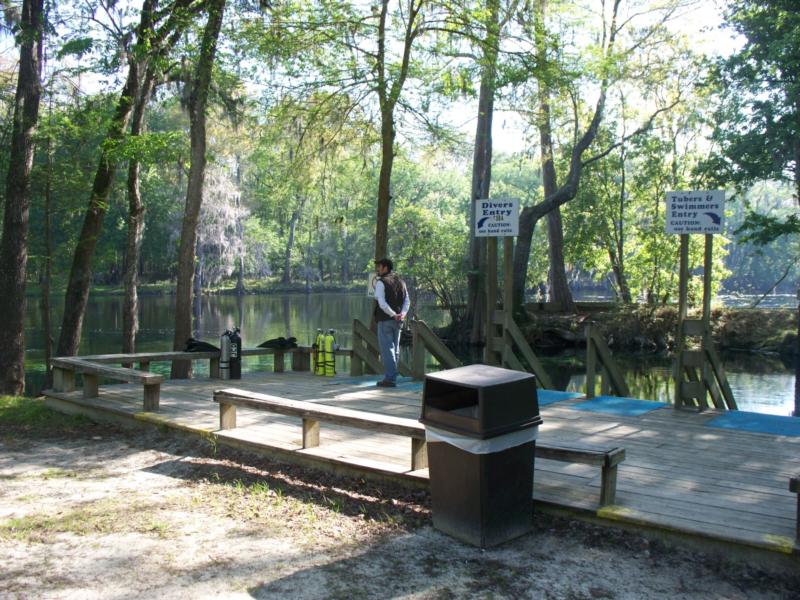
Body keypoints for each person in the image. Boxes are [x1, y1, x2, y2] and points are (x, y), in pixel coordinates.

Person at [373, 257, 410, 387]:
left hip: (385, 320)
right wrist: (402, 314)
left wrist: (394, 315)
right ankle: (392, 376)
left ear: (385, 268)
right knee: (395, 350)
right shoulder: (401, 282)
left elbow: (381, 303)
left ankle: (390, 379)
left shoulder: (380, 283)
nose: (377, 269)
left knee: (387, 350)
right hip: (399, 320)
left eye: (379, 266)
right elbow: (407, 301)